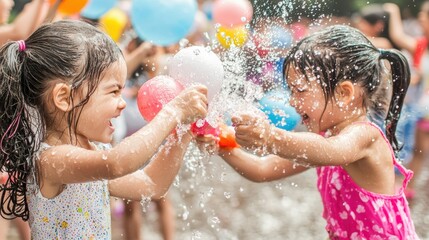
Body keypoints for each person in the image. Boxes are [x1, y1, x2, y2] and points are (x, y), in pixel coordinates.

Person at [197, 25, 418, 239]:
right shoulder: (322, 141)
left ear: (344, 93)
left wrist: (270, 136)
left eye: (300, 90)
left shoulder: (365, 137)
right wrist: (223, 147)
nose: (292, 101)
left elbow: (332, 150)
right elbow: (262, 169)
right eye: (291, 91)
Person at [0, 20, 208, 239]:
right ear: (64, 97)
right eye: (113, 92)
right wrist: (173, 112)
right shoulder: (51, 160)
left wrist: (183, 130)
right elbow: (117, 163)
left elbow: (152, 185)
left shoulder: (92, 153)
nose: (122, 103)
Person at [384, 1, 429, 202]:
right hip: (420, 108)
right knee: (415, 148)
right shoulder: (422, 45)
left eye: (424, 15)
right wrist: (393, 12)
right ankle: (405, 187)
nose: (420, 18)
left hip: (422, 108)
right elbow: (398, 37)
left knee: (417, 148)